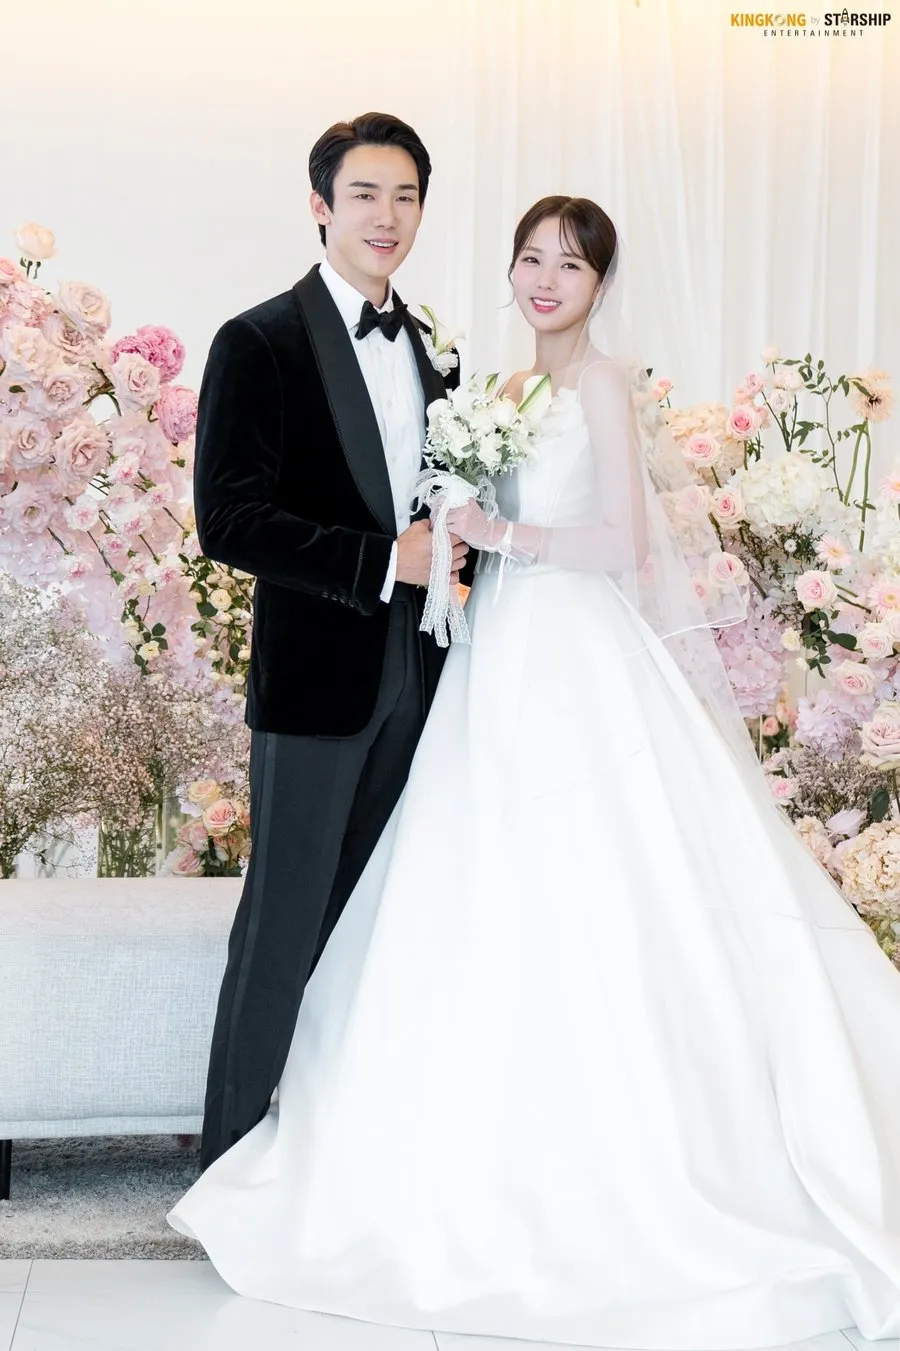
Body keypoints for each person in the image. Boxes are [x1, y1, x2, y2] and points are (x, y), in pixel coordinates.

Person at [171, 196, 900, 1348]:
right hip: (484, 659)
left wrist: (495, 535)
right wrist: (453, 533)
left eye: (571, 263)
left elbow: (624, 545)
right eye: (530, 258)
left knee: (587, 885)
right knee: (464, 880)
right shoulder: (491, 386)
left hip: (572, 656)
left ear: (602, 283)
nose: (546, 279)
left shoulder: (601, 386)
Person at [193, 111, 470, 1171]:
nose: (385, 216)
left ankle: (328, 1164)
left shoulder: (434, 346)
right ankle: (227, 1166)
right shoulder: (258, 340)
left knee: (375, 927)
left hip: (426, 670)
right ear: (320, 205)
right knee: (283, 927)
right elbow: (230, 520)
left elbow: (445, 500)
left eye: (404, 196)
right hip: (317, 681)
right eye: (364, 195)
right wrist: (381, 561)